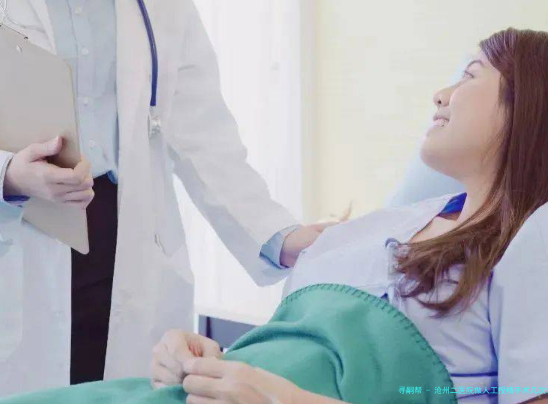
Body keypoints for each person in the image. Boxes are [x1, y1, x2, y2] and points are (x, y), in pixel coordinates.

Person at [2, 27, 548, 404]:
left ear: (535, 107)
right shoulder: (385, 226)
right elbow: (281, 352)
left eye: (469, 77)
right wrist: (194, 359)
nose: (440, 95)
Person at [0, 0, 326, 396]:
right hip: (20, 231)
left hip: (127, 240)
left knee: (122, 389)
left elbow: (203, 135)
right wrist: (9, 176)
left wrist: (279, 237)